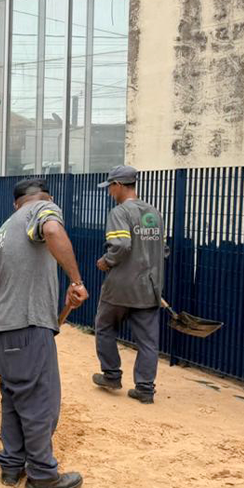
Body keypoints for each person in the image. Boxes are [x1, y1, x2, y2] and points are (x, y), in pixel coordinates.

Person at [0, 177, 88, 488]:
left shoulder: (5, 229)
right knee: (39, 402)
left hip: (0, 332)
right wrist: (75, 281)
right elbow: (53, 230)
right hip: (26, 328)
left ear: (15, 202)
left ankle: (11, 466)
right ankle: (43, 474)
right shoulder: (43, 209)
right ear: (44, 197)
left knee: (14, 398)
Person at [92, 165, 166, 404]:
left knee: (104, 328)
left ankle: (112, 375)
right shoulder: (153, 213)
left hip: (121, 287)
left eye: (110, 187)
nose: (109, 192)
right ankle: (145, 388)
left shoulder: (119, 213)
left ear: (119, 186)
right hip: (149, 288)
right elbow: (162, 250)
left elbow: (121, 245)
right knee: (148, 341)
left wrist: (106, 261)